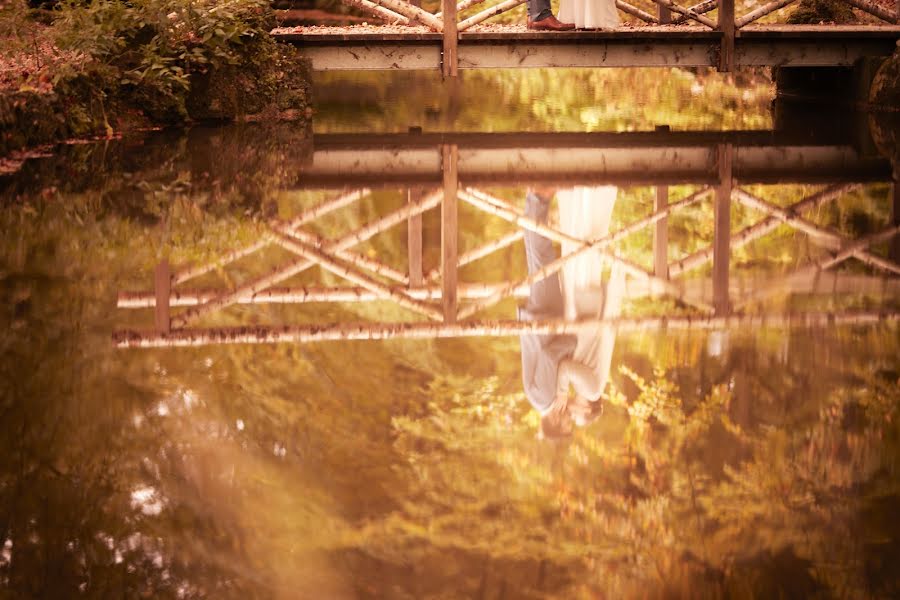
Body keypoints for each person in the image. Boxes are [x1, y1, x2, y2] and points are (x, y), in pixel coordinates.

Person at [555, 185, 625, 424]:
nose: (571, 414)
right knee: (581, 248)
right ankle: (584, 192)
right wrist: (561, 390)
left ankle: (586, 193)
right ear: (587, 410)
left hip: (586, 307)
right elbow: (565, 367)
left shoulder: (592, 386)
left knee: (580, 247)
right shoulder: (591, 390)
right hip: (585, 305)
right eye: (576, 417)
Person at [518, 189, 577, 439]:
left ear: (554, 421)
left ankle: (538, 199)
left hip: (543, 318)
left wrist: (574, 342)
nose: (570, 417)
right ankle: (535, 200)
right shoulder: (543, 399)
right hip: (543, 320)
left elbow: (549, 356)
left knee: (542, 257)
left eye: (567, 423)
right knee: (539, 258)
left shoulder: (543, 398)